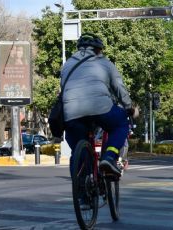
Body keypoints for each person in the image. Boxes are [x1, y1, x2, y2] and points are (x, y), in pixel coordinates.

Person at [61, 33, 135, 177]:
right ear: (98, 49)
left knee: (77, 146)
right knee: (120, 124)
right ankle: (109, 157)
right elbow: (119, 88)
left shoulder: (67, 64)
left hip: (71, 112)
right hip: (101, 108)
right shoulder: (105, 63)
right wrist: (129, 107)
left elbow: (63, 89)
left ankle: (81, 191)